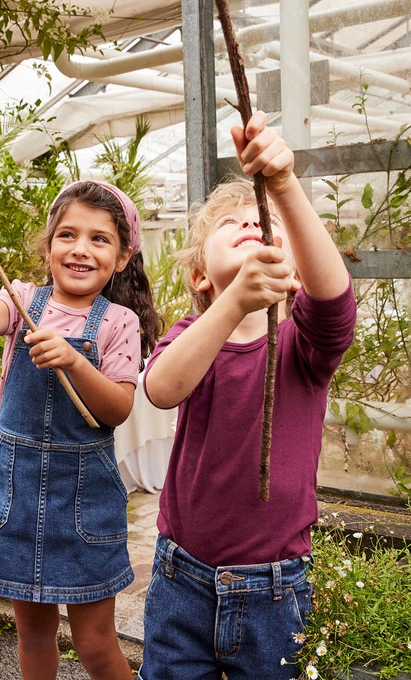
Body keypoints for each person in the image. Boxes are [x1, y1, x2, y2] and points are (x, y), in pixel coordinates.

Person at [138, 112, 357, 679]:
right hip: (180, 579)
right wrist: (232, 304)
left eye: (261, 224)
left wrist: (283, 187)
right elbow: (162, 388)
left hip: (274, 590)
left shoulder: (301, 346)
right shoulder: (193, 337)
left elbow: (335, 303)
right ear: (199, 278)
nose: (249, 224)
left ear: (292, 268)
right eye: (228, 224)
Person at [0, 180, 163, 680]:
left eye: (99, 239)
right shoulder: (23, 301)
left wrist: (75, 362)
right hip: (16, 494)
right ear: (48, 246)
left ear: (124, 256)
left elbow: (117, 408)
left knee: (94, 644)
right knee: (34, 636)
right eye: (67, 235)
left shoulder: (119, 322)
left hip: (82, 502)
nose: (80, 249)